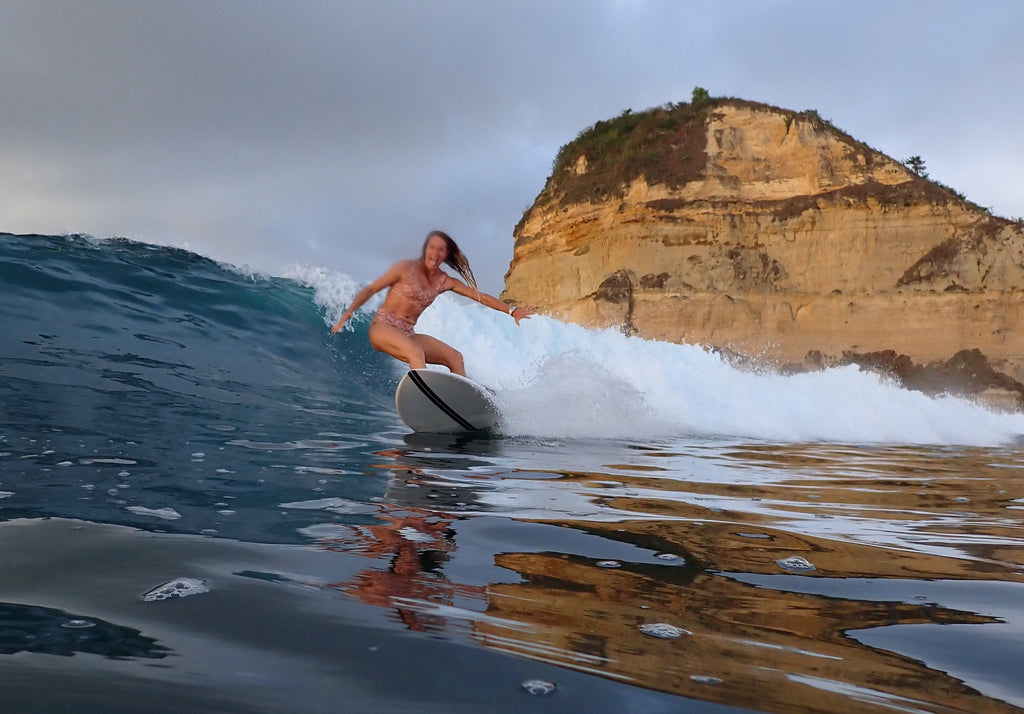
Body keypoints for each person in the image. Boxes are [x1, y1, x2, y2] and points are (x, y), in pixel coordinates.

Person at [331, 230, 535, 377]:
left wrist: (512, 311)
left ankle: (460, 405)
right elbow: (371, 289)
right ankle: (425, 400)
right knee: (414, 352)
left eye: (440, 250)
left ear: (445, 255)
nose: (435, 253)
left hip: (408, 333)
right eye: (432, 248)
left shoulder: (444, 281)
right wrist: (348, 313)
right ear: (425, 250)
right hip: (383, 327)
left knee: (456, 357)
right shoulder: (405, 268)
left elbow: (480, 296)